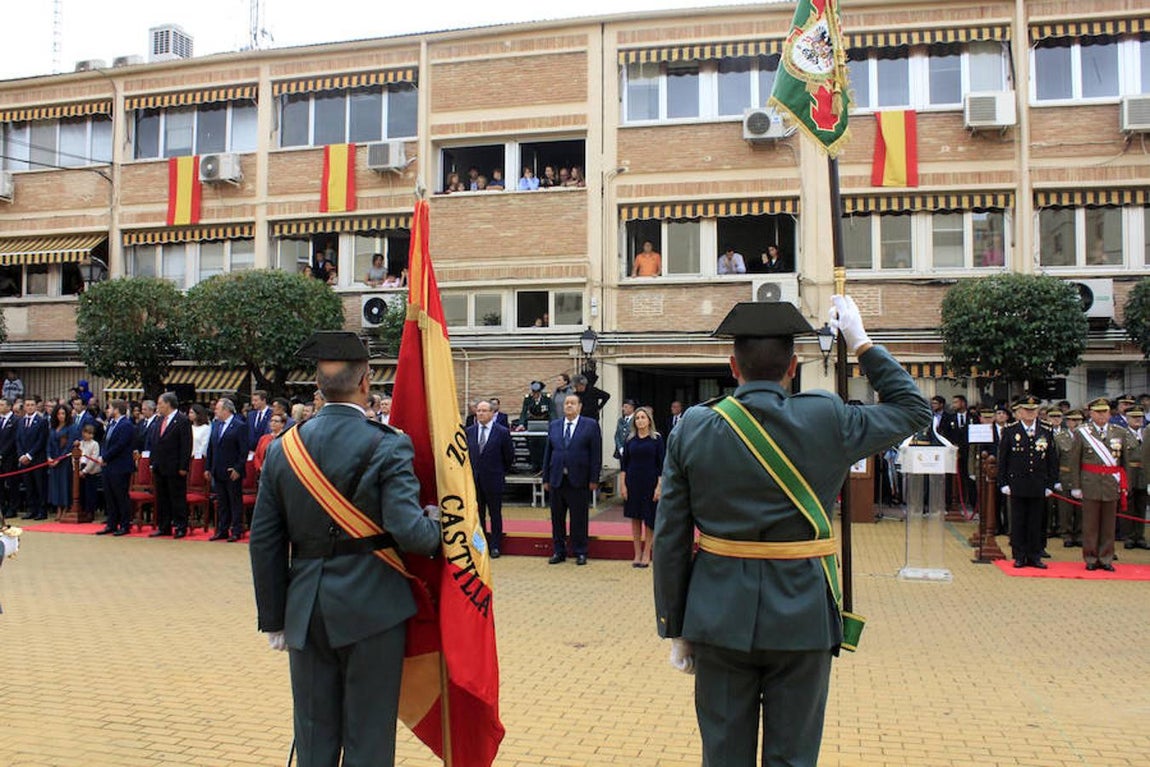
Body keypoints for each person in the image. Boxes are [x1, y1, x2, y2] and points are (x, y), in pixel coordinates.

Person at [653, 297, 929, 767]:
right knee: (794, 759)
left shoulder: (694, 426)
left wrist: (674, 626)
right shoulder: (827, 418)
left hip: (717, 614)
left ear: (732, 367)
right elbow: (913, 409)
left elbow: (670, 539)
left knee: (723, 757)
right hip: (803, 615)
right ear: (793, 367)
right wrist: (861, 343)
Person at [249, 331, 441, 767]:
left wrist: (274, 618)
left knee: (313, 737)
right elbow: (410, 532)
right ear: (365, 381)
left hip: (305, 609)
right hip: (373, 608)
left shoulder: (283, 448)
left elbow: (264, 541)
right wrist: (440, 526)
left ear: (318, 385)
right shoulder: (388, 443)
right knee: (367, 739)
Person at [1066, 397, 1140, 572]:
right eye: (1098, 412)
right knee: (1090, 524)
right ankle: (1091, 558)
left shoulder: (1119, 432)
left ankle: (1106, 557)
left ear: (1109, 413)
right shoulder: (1082, 432)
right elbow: (1074, 462)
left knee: (1108, 525)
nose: (1101, 415)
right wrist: (1075, 486)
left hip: (1111, 483)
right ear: (1091, 414)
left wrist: (1125, 485)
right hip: (1090, 483)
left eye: (1104, 412)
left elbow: (1125, 462)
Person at [997, 395, 1059, 569]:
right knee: (1018, 521)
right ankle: (1019, 555)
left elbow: (1051, 459)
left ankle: (1035, 555)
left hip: (1038, 483)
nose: (1030, 413)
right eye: (1026, 410)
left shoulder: (1046, 429)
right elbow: (1003, 459)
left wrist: (1051, 483)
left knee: (1036, 521)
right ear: (1019, 412)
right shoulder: (1010, 430)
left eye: (1033, 410)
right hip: (1017, 483)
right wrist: (1003, 483)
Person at [543, 393, 602, 566]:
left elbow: (596, 454)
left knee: (579, 518)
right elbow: (548, 453)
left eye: (573, 403)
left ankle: (580, 551)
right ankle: (559, 551)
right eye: (567, 403)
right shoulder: (554, 425)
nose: (569, 405)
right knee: (557, 518)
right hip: (557, 479)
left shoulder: (590, 425)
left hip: (579, 480)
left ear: (580, 407)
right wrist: (546, 478)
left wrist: (594, 478)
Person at [466, 400, 515, 558]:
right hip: (475, 481)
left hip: (494, 479)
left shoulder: (502, 432)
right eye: (478, 411)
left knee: (495, 514)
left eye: (484, 411)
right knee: (478, 515)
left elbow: (509, 456)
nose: (480, 413)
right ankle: (481, 544)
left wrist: (499, 471)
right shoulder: (470, 431)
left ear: (492, 413)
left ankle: (495, 546)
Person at [619, 405, 663, 568]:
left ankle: (646, 553)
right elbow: (624, 465)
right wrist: (623, 485)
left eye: (643, 417)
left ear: (649, 420)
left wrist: (659, 487)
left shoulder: (656, 439)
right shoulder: (630, 439)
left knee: (649, 519)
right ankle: (637, 553)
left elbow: (661, 465)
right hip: (633, 483)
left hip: (650, 483)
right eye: (637, 418)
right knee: (635, 517)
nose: (640, 420)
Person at [149, 391, 192, 539]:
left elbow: (186, 445)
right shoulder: (159, 420)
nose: (158, 406)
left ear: (168, 404)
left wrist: (183, 466)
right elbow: (155, 442)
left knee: (177, 498)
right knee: (162, 498)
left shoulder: (182, 420)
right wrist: (152, 462)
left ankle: (180, 526)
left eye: (160, 403)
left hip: (175, 467)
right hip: (160, 466)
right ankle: (164, 526)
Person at [205, 398, 247, 542]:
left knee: (234, 502)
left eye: (217, 409)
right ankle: (222, 530)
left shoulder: (239, 426)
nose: (215, 411)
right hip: (218, 470)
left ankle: (236, 530)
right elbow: (211, 447)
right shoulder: (216, 425)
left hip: (232, 471)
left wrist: (238, 468)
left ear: (226, 410)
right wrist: (208, 467)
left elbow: (243, 451)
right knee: (222, 502)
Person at [97, 400, 135, 536]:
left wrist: (105, 457)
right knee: (109, 496)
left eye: (110, 408)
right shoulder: (111, 423)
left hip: (120, 466)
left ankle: (125, 524)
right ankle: (111, 523)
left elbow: (120, 445)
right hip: (108, 466)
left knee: (121, 496)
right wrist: (102, 456)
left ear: (117, 410)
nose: (107, 411)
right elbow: (105, 442)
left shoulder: (126, 425)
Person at [16, 396, 49, 520]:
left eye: (32, 405)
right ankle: (31, 509)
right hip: (24, 459)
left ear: (36, 406)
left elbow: (41, 440)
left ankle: (42, 510)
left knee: (39, 486)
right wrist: (21, 455)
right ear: (24, 407)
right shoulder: (20, 421)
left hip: (37, 459)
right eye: (27, 405)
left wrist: (29, 455)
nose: (29, 407)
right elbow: (18, 439)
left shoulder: (42, 421)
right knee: (28, 486)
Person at [1054, 409, 1083, 547]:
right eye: (1073, 420)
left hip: (1082, 476)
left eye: (1079, 420)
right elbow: (1055, 460)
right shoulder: (1059, 437)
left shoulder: (1087, 437)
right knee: (1065, 509)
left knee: (1081, 509)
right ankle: (1066, 534)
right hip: (1065, 475)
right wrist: (1056, 480)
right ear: (1067, 422)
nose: (1076, 423)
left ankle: (1080, 534)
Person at [45, 404, 76, 516]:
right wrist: (49, 457)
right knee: (55, 484)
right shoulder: (53, 428)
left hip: (65, 460)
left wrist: (59, 459)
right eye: (58, 414)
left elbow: (69, 445)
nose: (61, 416)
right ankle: (58, 507)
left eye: (63, 413)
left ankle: (65, 507)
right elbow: (48, 443)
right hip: (53, 459)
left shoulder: (71, 427)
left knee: (64, 483)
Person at [77, 423, 101, 518]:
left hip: (90, 471)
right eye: (87, 433)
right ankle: (82, 509)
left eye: (91, 433)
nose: (89, 435)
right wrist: (78, 470)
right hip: (80, 468)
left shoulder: (95, 444)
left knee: (90, 492)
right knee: (81, 491)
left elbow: (93, 459)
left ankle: (90, 511)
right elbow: (75, 456)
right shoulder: (80, 443)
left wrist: (85, 471)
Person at [0, 399, 17, 521]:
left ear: (9, 407)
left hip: (10, 457)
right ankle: (2, 506)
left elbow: (13, 440)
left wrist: (2, 453)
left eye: (2, 405)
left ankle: (13, 507)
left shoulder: (15, 420)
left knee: (11, 483)